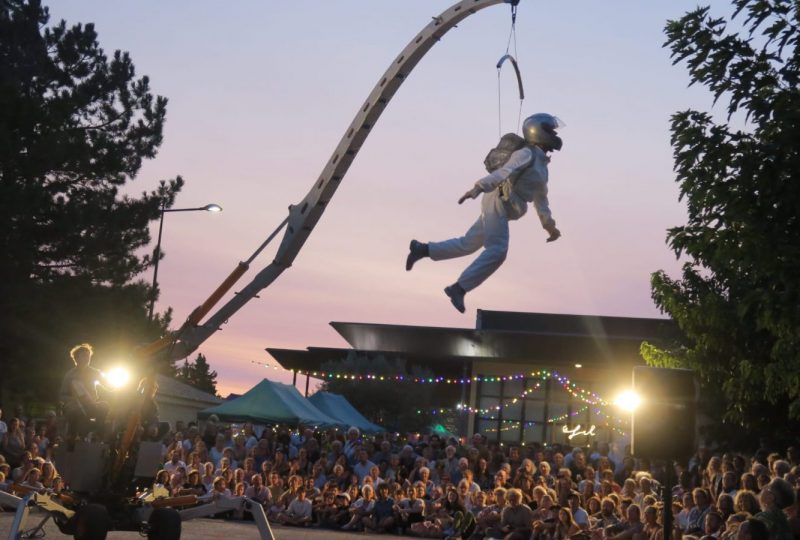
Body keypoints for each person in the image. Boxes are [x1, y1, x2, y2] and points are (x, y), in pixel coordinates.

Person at [406, 113, 564, 313]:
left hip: (505, 206)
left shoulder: (542, 166)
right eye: (551, 131)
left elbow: (541, 200)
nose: (555, 136)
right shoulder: (526, 154)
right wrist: (479, 187)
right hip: (498, 198)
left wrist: (550, 227)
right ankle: (459, 288)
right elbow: (503, 172)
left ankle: (422, 249)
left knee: (468, 243)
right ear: (539, 132)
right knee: (498, 250)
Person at [59, 343, 109, 439]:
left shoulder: (95, 372)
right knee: (76, 410)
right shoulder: (70, 375)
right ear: (77, 358)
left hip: (91, 405)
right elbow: (62, 395)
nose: (87, 358)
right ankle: (72, 437)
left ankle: (98, 434)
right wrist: (73, 400)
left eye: (88, 356)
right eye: (84, 356)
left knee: (104, 405)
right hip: (74, 406)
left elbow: (109, 386)